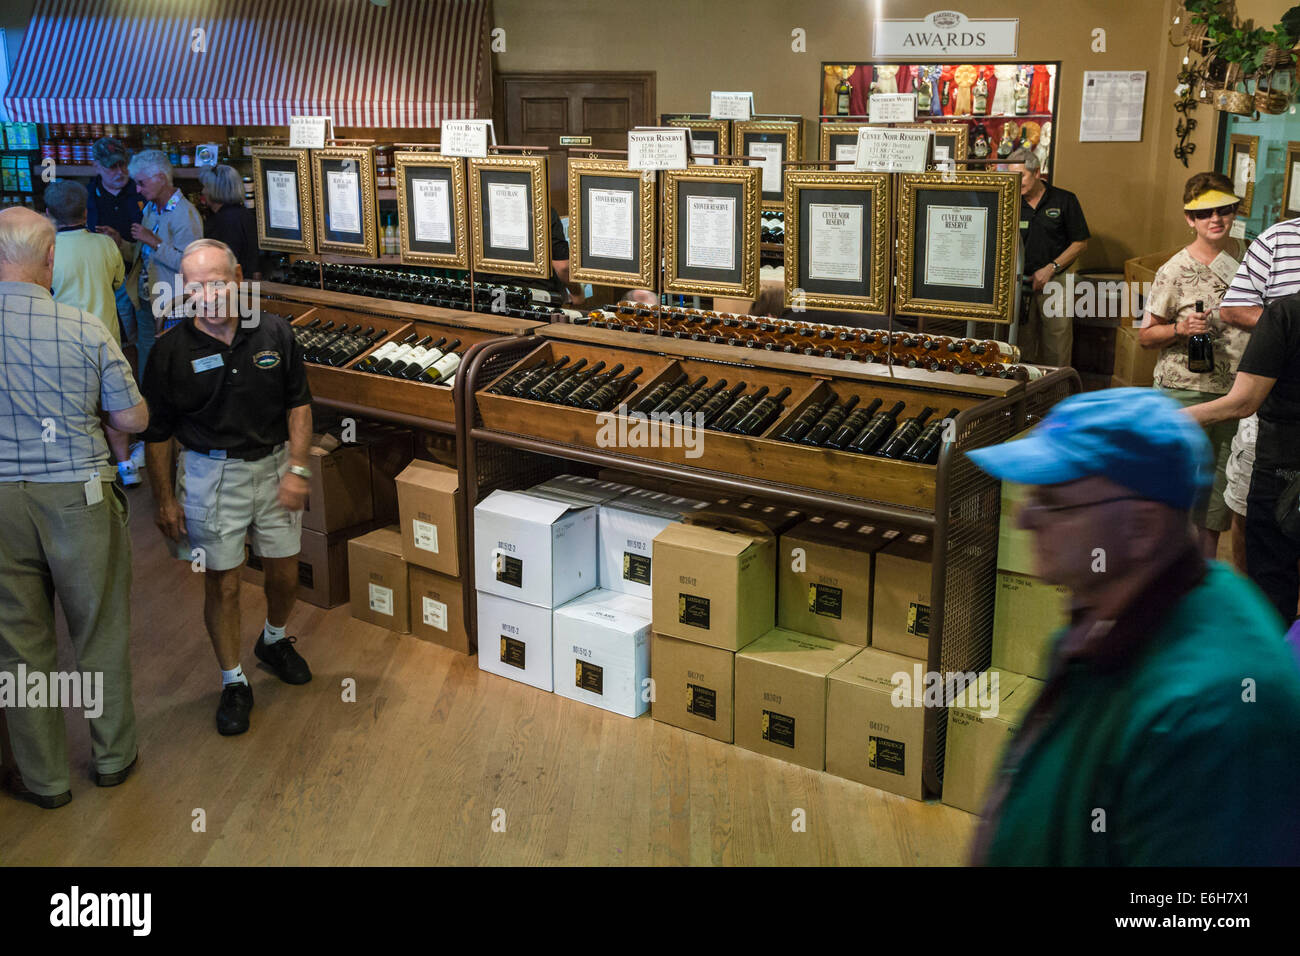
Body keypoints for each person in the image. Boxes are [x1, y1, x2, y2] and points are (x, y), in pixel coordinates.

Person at [966, 388, 1300, 865]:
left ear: (1141, 528)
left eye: (1053, 500)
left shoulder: (1215, 713)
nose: (1024, 517)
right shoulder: (1109, 610)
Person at [0, 207, 149, 809]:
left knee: (19, 642)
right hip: (80, 493)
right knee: (99, 630)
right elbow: (134, 417)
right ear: (51, 258)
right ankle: (112, 758)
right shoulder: (85, 327)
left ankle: (44, 780)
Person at [141, 238, 313, 736]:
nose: (208, 293)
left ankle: (275, 640)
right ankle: (233, 680)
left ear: (237, 277)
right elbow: (157, 434)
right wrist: (164, 499)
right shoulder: (171, 351)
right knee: (225, 581)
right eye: (195, 285)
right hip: (208, 475)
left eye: (217, 281)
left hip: (275, 463)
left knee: (285, 573)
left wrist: (298, 469)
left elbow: (298, 405)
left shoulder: (274, 332)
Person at [1137, 172, 1248, 559]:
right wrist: (1179, 328)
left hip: (1239, 393)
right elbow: (1145, 336)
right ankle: (1167, 574)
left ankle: (1205, 573)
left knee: (1220, 492)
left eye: (1223, 211)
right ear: (1190, 219)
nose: (1215, 220)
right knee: (1175, 485)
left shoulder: (1251, 258)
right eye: (1205, 214)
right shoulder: (1173, 270)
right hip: (1182, 393)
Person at [44, 180, 141, 488]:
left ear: (49, 214)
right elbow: (117, 283)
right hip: (105, 337)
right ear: (86, 213)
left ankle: (85, 467)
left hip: (63, 342)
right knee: (113, 405)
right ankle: (126, 465)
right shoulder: (105, 244)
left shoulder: (49, 252)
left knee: (74, 408)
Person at [1005, 149, 1089, 368]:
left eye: (1021, 175)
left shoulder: (1063, 200)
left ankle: (1056, 392)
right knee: (1020, 343)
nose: (1016, 181)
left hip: (1056, 279)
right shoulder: (1009, 202)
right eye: (1011, 176)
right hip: (1019, 282)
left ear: (1037, 172)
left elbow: (1080, 242)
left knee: (1056, 343)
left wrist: (1051, 268)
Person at [127, 149, 202, 372]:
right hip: (147, 297)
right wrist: (121, 243)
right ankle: (147, 404)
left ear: (160, 177)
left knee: (174, 358)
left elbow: (190, 265)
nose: (138, 189)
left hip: (173, 302)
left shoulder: (185, 214)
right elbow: (144, 254)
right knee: (147, 352)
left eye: (141, 183)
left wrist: (155, 242)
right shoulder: (150, 208)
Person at [84, 137, 143, 356]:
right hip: (103, 281)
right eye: (112, 166)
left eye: (123, 164)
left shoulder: (142, 191)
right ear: (96, 166)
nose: (119, 171)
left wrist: (122, 242)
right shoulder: (87, 197)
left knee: (142, 337)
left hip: (138, 276)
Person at [199, 164, 260, 280]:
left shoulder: (225, 220)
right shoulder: (242, 214)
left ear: (215, 190)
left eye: (205, 186)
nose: (203, 191)